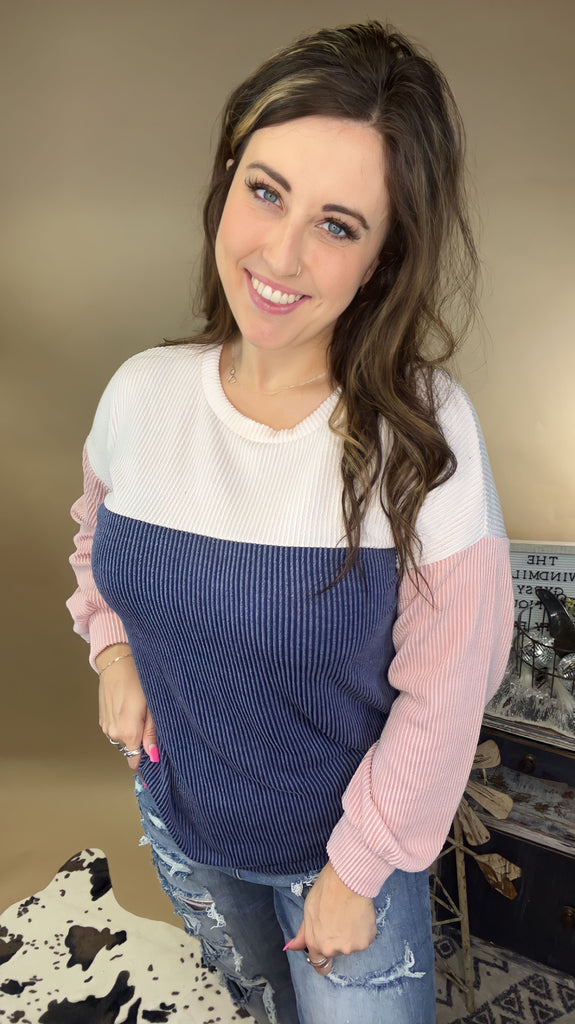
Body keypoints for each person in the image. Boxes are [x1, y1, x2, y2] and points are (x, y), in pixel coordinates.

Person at [67, 20, 513, 1024]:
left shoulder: (423, 432)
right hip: (182, 828)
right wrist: (113, 652)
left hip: (342, 861)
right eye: (265, 191)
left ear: (383, 257)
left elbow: (449, 689)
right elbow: (97, 544)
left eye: (337, 224)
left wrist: (356, 872)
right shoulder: (142, 393)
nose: (279, 253)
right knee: (257, 1004)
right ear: (225, 183)